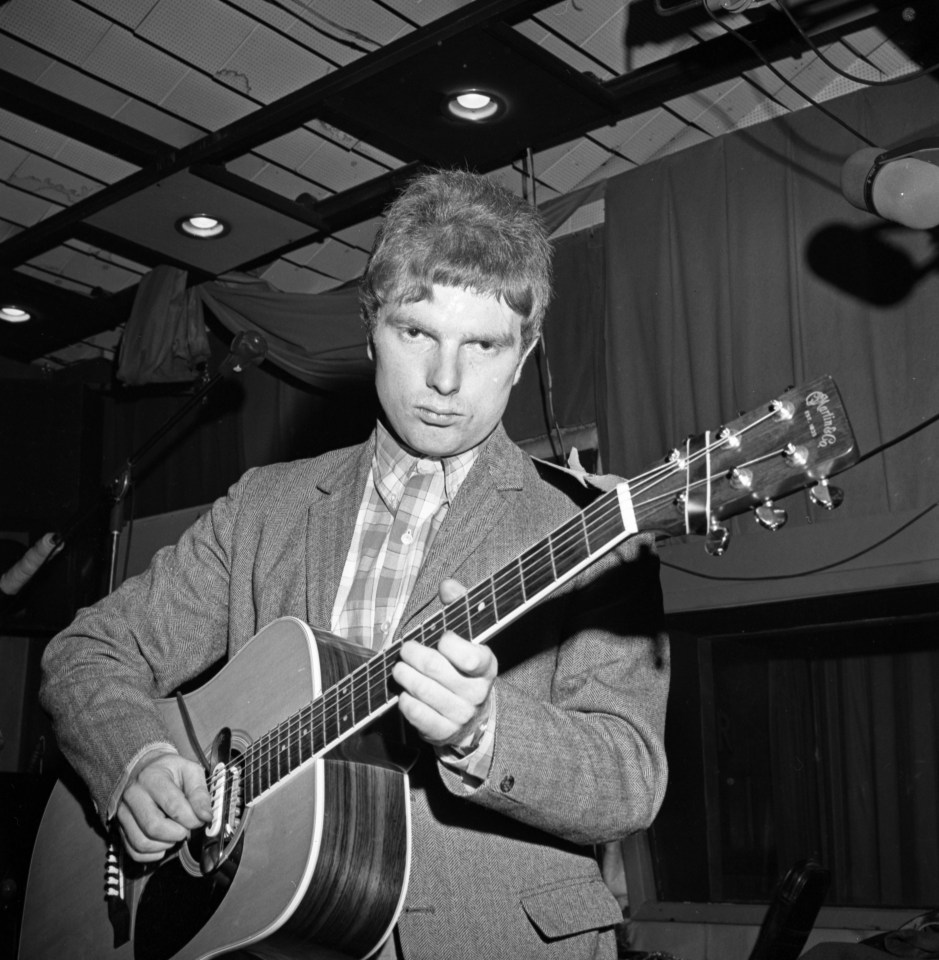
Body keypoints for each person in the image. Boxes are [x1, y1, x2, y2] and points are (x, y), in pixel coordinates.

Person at [40, 168, 670, 960]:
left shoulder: (592, 529)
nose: (446, 380)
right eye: (417, 333)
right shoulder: (263, 506)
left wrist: (485, 732)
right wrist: (133, 760)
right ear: (370, 326)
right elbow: (86, 651)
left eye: (482, 345)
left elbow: (629, 781)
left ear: (524, 357)